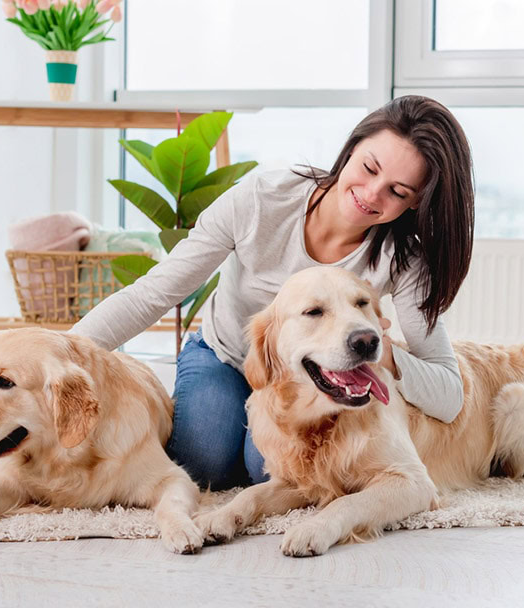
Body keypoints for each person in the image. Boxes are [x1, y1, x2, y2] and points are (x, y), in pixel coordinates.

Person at [70, 95, 475, 490]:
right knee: (203, 464)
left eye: (398, 192)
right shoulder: (260, 200)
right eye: (369, 168)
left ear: (416, 203)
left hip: (316, 380)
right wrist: (64, 353)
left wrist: (385, 354)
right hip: (226, 356)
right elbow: (150, 295)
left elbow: (448, 395)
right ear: (351, 149)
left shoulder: (403, 256)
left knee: (269, 472)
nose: (372, 194)